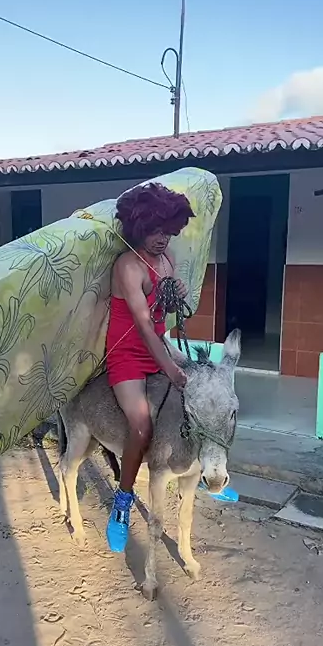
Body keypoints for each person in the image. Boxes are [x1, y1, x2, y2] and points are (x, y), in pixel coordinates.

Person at [105, 182, 194, 552]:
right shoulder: (128, 266)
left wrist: (177, 293)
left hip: (157, 343)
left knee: (202, 394)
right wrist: (170, 368)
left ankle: (209, 471)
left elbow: (162, 307)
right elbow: (142, 325)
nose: (162, 239)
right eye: (155, 230)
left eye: (167, 231)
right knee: (141, 424)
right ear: (138, 227)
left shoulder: (167, 258)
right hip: (127, 352)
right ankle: (123, 500)